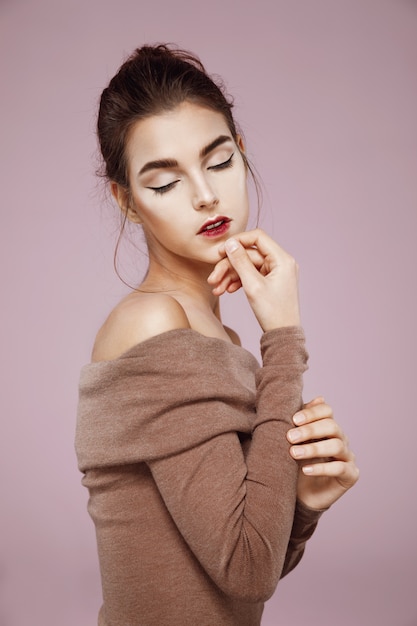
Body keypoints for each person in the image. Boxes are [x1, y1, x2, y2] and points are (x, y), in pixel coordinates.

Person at [75, 44, 359, 626]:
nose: (205, 194)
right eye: (163, 182)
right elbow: (247, 568)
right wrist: (283, 336)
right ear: (125, 201)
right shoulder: (152, 323)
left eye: (220, 160)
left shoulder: (217, 340)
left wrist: (301, 504)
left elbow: (237, 571)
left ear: (243, 156)